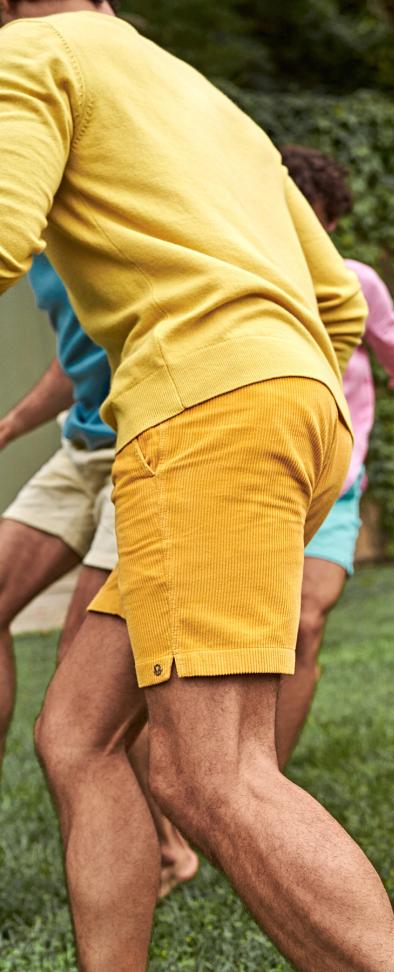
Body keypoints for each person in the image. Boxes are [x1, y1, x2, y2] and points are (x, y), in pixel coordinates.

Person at [0, 3, 394, 970]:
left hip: (203, 419)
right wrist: (271, 385)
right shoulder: (202, 94)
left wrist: (218, 388)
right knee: (78, 735)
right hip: (289, 406)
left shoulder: (29, 53)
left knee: (211, 774)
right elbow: (338, 303)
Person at [0, 251, 198, 897]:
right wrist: (8, 426)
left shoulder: (117, 203)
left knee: (86, 679)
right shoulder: (38, 243)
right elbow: (73, 360)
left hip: (146, 441)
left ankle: (168, 848)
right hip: (80, 444)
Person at [275, 146, 394, 767]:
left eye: (324, 221)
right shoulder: (246, 277)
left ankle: (265, 787)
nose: (315, 234)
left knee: (304, 626)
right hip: (258, 479)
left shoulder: (357, 284)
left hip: (332, 486)